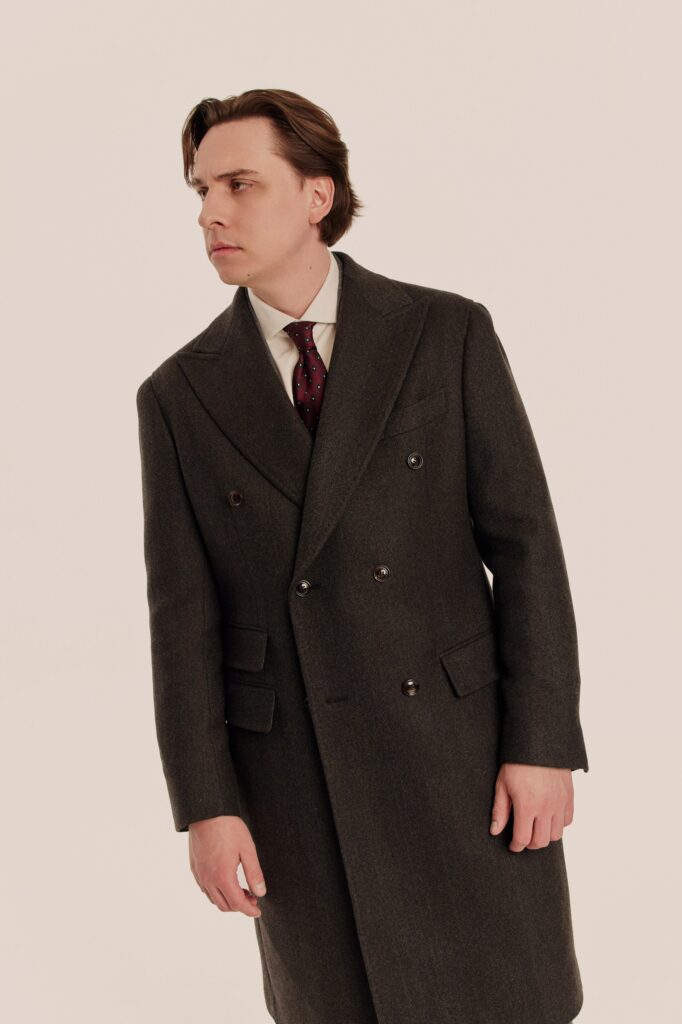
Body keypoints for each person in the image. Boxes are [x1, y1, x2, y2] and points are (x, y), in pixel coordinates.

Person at [136, 88, 588, 1024]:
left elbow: (527, 548)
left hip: (462, 759)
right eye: (200, 190)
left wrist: (542, 743)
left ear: (317, 195)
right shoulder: (178, 394)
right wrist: (207, 806)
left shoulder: (444, 332)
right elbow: (183, 621)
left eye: (238, 184)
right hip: (296, 778)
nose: (210, 213)